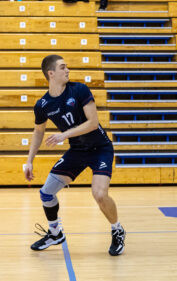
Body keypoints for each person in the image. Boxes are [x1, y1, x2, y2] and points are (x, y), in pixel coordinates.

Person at [24, 55, 125, 256]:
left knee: (99, 194)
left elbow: (93, 123)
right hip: (78, 151)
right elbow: (38, 132)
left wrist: (64, 135)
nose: (67, 70)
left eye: (67, 66)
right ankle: (55, 233)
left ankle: (117, 230)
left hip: (100, 148)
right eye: (63, 67)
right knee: (46, 193)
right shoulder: (43, 105)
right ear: (50, 73)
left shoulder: (79, 90)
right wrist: (29, 160)